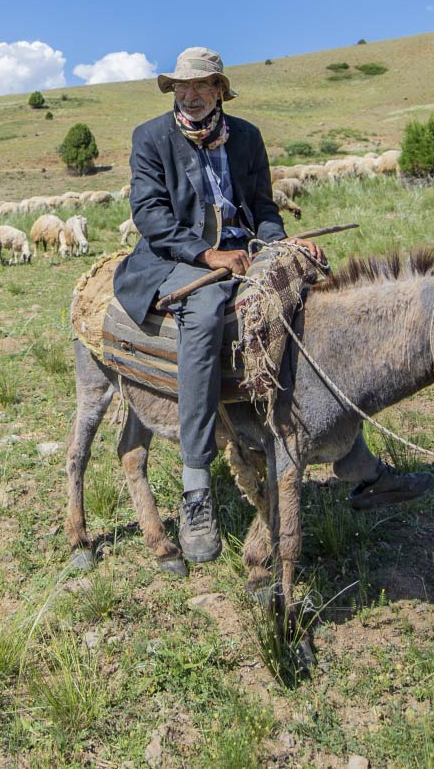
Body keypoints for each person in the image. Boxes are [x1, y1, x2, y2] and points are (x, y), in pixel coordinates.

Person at [113, 46, 320, 563]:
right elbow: (150, 215)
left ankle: (346, 451)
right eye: (182, 87)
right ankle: (196, 485)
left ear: (220, 91)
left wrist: (281, 246)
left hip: (245, 250)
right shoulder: (151, 137)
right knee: (205, 312)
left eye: (202, 86)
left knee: (309, 293)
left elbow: (264, 207)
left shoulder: (246, 136)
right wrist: (207, 255)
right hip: (175, 256)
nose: (191, 95)